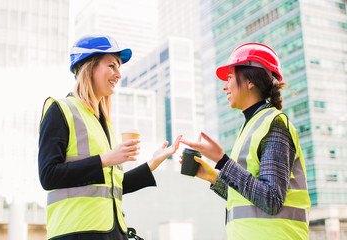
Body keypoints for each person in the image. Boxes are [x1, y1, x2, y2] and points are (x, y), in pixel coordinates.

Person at [38, 34, 181, 240]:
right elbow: (48, 175)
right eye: (112, 66)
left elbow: (112, 187)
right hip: (76, 232)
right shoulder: (60, 110)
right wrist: (106, 159)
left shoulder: (104, 124)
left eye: (119, 68)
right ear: (90, 68)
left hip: (112, 232)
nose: (118, 75)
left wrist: (152, 163)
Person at [180, 43, 311, 239]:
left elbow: (271, 200)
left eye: (230, 78)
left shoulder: (274, 124)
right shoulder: (251, 126)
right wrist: (211, 176)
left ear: (250, 81)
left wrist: (222, 161)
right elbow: (249, 199)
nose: (225, 86)